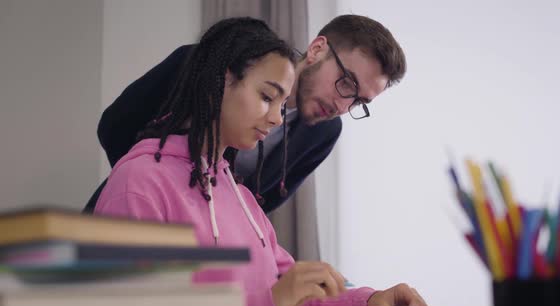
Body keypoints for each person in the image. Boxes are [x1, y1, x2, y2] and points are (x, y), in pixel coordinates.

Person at [94, 17, 425, 306]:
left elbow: (286, 290)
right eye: (267, 97)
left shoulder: (244, 200)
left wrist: (367, 302)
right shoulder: (141, 181)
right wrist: (167, 179)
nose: (277, 118)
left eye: (358, 102)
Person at [84, 14, 406, 213]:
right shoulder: (203, 66)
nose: (342, 106)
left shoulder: (324, 132)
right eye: (346, 83)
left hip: (207, 260)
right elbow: (114, 127)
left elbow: (258, 207)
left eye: (359, 102)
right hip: (123, 226)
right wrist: (150, 195)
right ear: (318, 49)